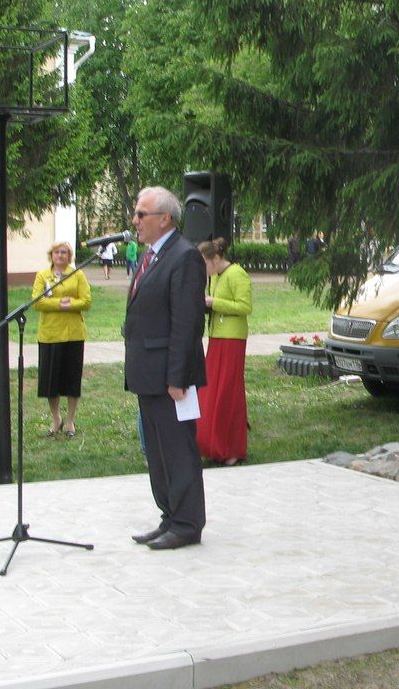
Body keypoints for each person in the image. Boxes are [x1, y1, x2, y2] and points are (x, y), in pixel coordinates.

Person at [124, 186, 207, 551]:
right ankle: (170, 516)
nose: (135, 221)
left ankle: (188, 524)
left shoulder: (184, 256)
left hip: (171, 378)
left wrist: (177, 378)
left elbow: (187, 324)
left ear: (165, 218)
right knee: (157, 452)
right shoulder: (152, 256)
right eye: (136, 214)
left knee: (177, 450)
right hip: (148, 373)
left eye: (142, 214)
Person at [197, 237, 252, 466]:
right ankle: (213, 444)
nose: (204, 270)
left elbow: (245, 306)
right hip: (217, 337)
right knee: (213, 391)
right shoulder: (217, 276)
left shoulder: (237, 274)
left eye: (205, 264)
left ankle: (232, 447)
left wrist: (213, 302)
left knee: (228, 392)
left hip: (232, 339)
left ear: (216, 258)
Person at [32, 241, 91, 437]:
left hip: (73, 334)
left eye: (64, 252)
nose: (60, 255)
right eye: (57, 252)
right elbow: (38, 302)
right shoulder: (42, 275)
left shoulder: (78, 274)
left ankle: (70, 421)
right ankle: (56, 417)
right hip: (50, 335)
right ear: (51, 255)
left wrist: (71, 304)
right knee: (51, 381)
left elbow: (87, 301)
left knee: (72, 379)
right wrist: (59, 303)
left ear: (70, 255)